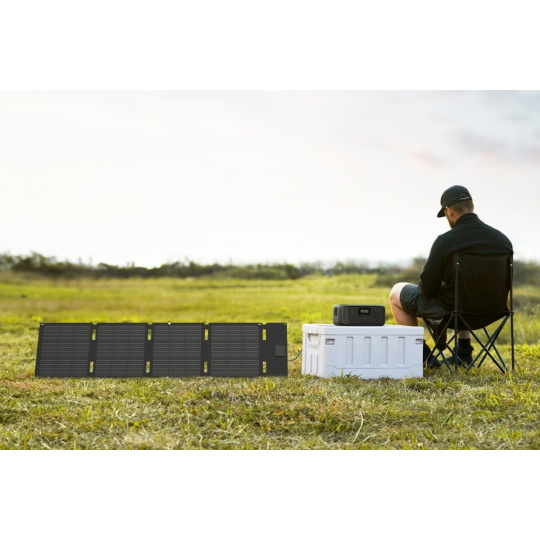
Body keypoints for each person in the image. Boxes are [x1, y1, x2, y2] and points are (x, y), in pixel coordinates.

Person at [389, 185, 513, 367]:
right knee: (462, 291)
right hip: (492, 311)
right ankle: (463, 353)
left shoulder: (446, 241)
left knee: (396, 292)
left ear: (449, 211)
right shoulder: (503, 241)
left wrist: (440, 283)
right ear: (472, 206)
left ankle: (424, 357)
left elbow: (427, 291)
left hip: (452, 314)